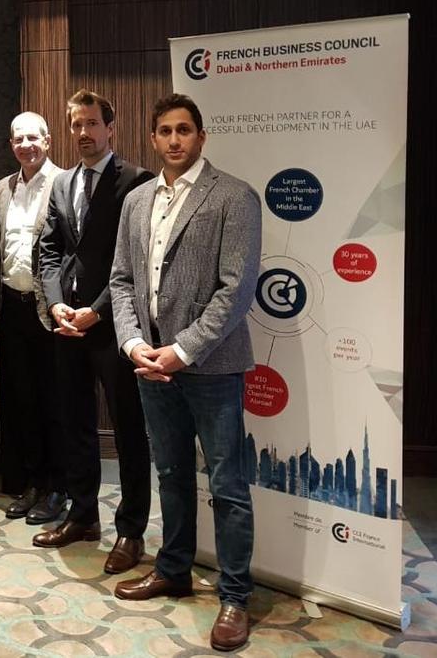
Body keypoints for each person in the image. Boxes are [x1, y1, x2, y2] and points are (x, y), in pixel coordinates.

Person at [110, 93, 261, 652]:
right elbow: (121, 280)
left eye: (184, 130)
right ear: (152, 138)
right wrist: (134, 344)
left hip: (211, 365)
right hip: (150, 365)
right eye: (165, 131)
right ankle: (173, 568)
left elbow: (236, 290)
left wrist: (182, 349)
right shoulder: (137, 201)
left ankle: (235, 596)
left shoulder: (234, 197)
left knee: (227, 484)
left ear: (201, 136)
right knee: (171, 473)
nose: (174, 140)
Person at [35, 90, 154, 575]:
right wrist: (56, 304)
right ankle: (83, 515)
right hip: (67, 325)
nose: (83, 133)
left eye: (91, 123)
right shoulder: (62, 183)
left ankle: (131, 530)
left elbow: (138, 259)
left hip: (115, 326)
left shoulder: (136, 181)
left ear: (110, 128)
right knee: (75, 422)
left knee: (128, 430)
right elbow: (49, 250)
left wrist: (97, 311)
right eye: (76, 125)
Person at [0, 112, 66, 523]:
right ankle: (33, 483)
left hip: (50, 310)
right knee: (22, 401)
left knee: (55, 401)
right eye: (19, 139)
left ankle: (58, 488)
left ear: (48, 141)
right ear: (11, 145)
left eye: (33, 138)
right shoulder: (2, 188)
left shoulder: (65, 182)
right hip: (11, 308)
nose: (26, 145)